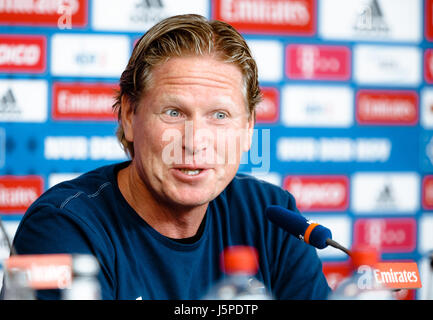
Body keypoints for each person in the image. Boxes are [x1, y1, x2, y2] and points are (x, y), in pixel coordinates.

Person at [4, 14, 331, 300]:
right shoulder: (63, 227)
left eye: (219, 116)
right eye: (174, 112)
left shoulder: (271, 216)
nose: (194, 141)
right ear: (129, 117)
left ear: (248, 129)